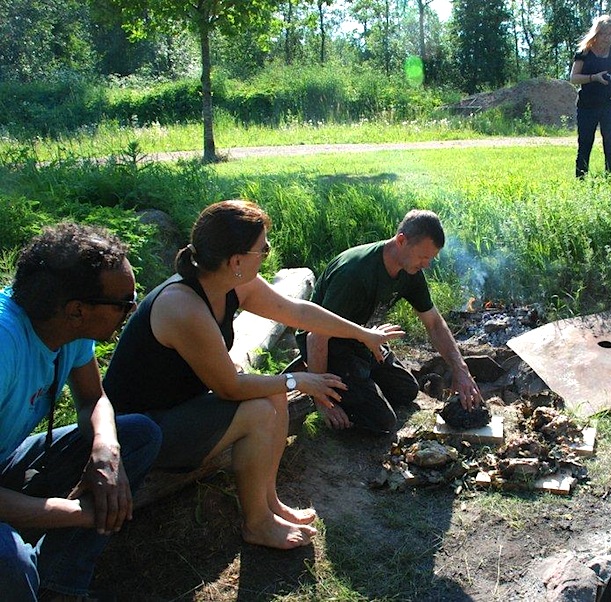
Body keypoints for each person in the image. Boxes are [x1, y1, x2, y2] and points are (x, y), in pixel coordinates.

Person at [103, 200, 404, 550]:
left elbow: (296, 311)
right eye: (263, 248)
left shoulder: (229, 282)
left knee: (272, 393)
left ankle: (269, 503)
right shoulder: (182, 306)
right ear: (236, 261)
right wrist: (298, 380)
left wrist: (361, 333)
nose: (267, 254)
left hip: (179, 407)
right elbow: (230, 388)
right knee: (260, 408)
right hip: (140, 433)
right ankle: (257, 524)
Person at [0, 223, 162, 601]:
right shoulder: (5, 346)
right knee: (11, 561)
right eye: (123, 302)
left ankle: (59, 585)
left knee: (139, 435)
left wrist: (105, 449)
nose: (132, 308)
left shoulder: (64, 327)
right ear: (77, 310)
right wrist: (83, 513)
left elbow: (93, 399)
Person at [300, 209, 483, 432]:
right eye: (423, 257)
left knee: (406, 390)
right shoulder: (354, 273)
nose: (426, 264)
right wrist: (322, 402)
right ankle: (325, 383)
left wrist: (460, 369)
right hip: (329, 345)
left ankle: (360, 380)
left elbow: (434, 323)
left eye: (431, 258)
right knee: (382, 422)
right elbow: (316, 336)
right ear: (401, 241)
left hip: (364, 338)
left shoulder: (411, 271)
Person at [569, 15, 611, 179]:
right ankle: (581, 179)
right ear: (596, 33)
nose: (607, 38)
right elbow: (573, 78)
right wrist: (594, 77)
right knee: (585, 143)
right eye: (604, 34)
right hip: (588, 105)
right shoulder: (584, 52)